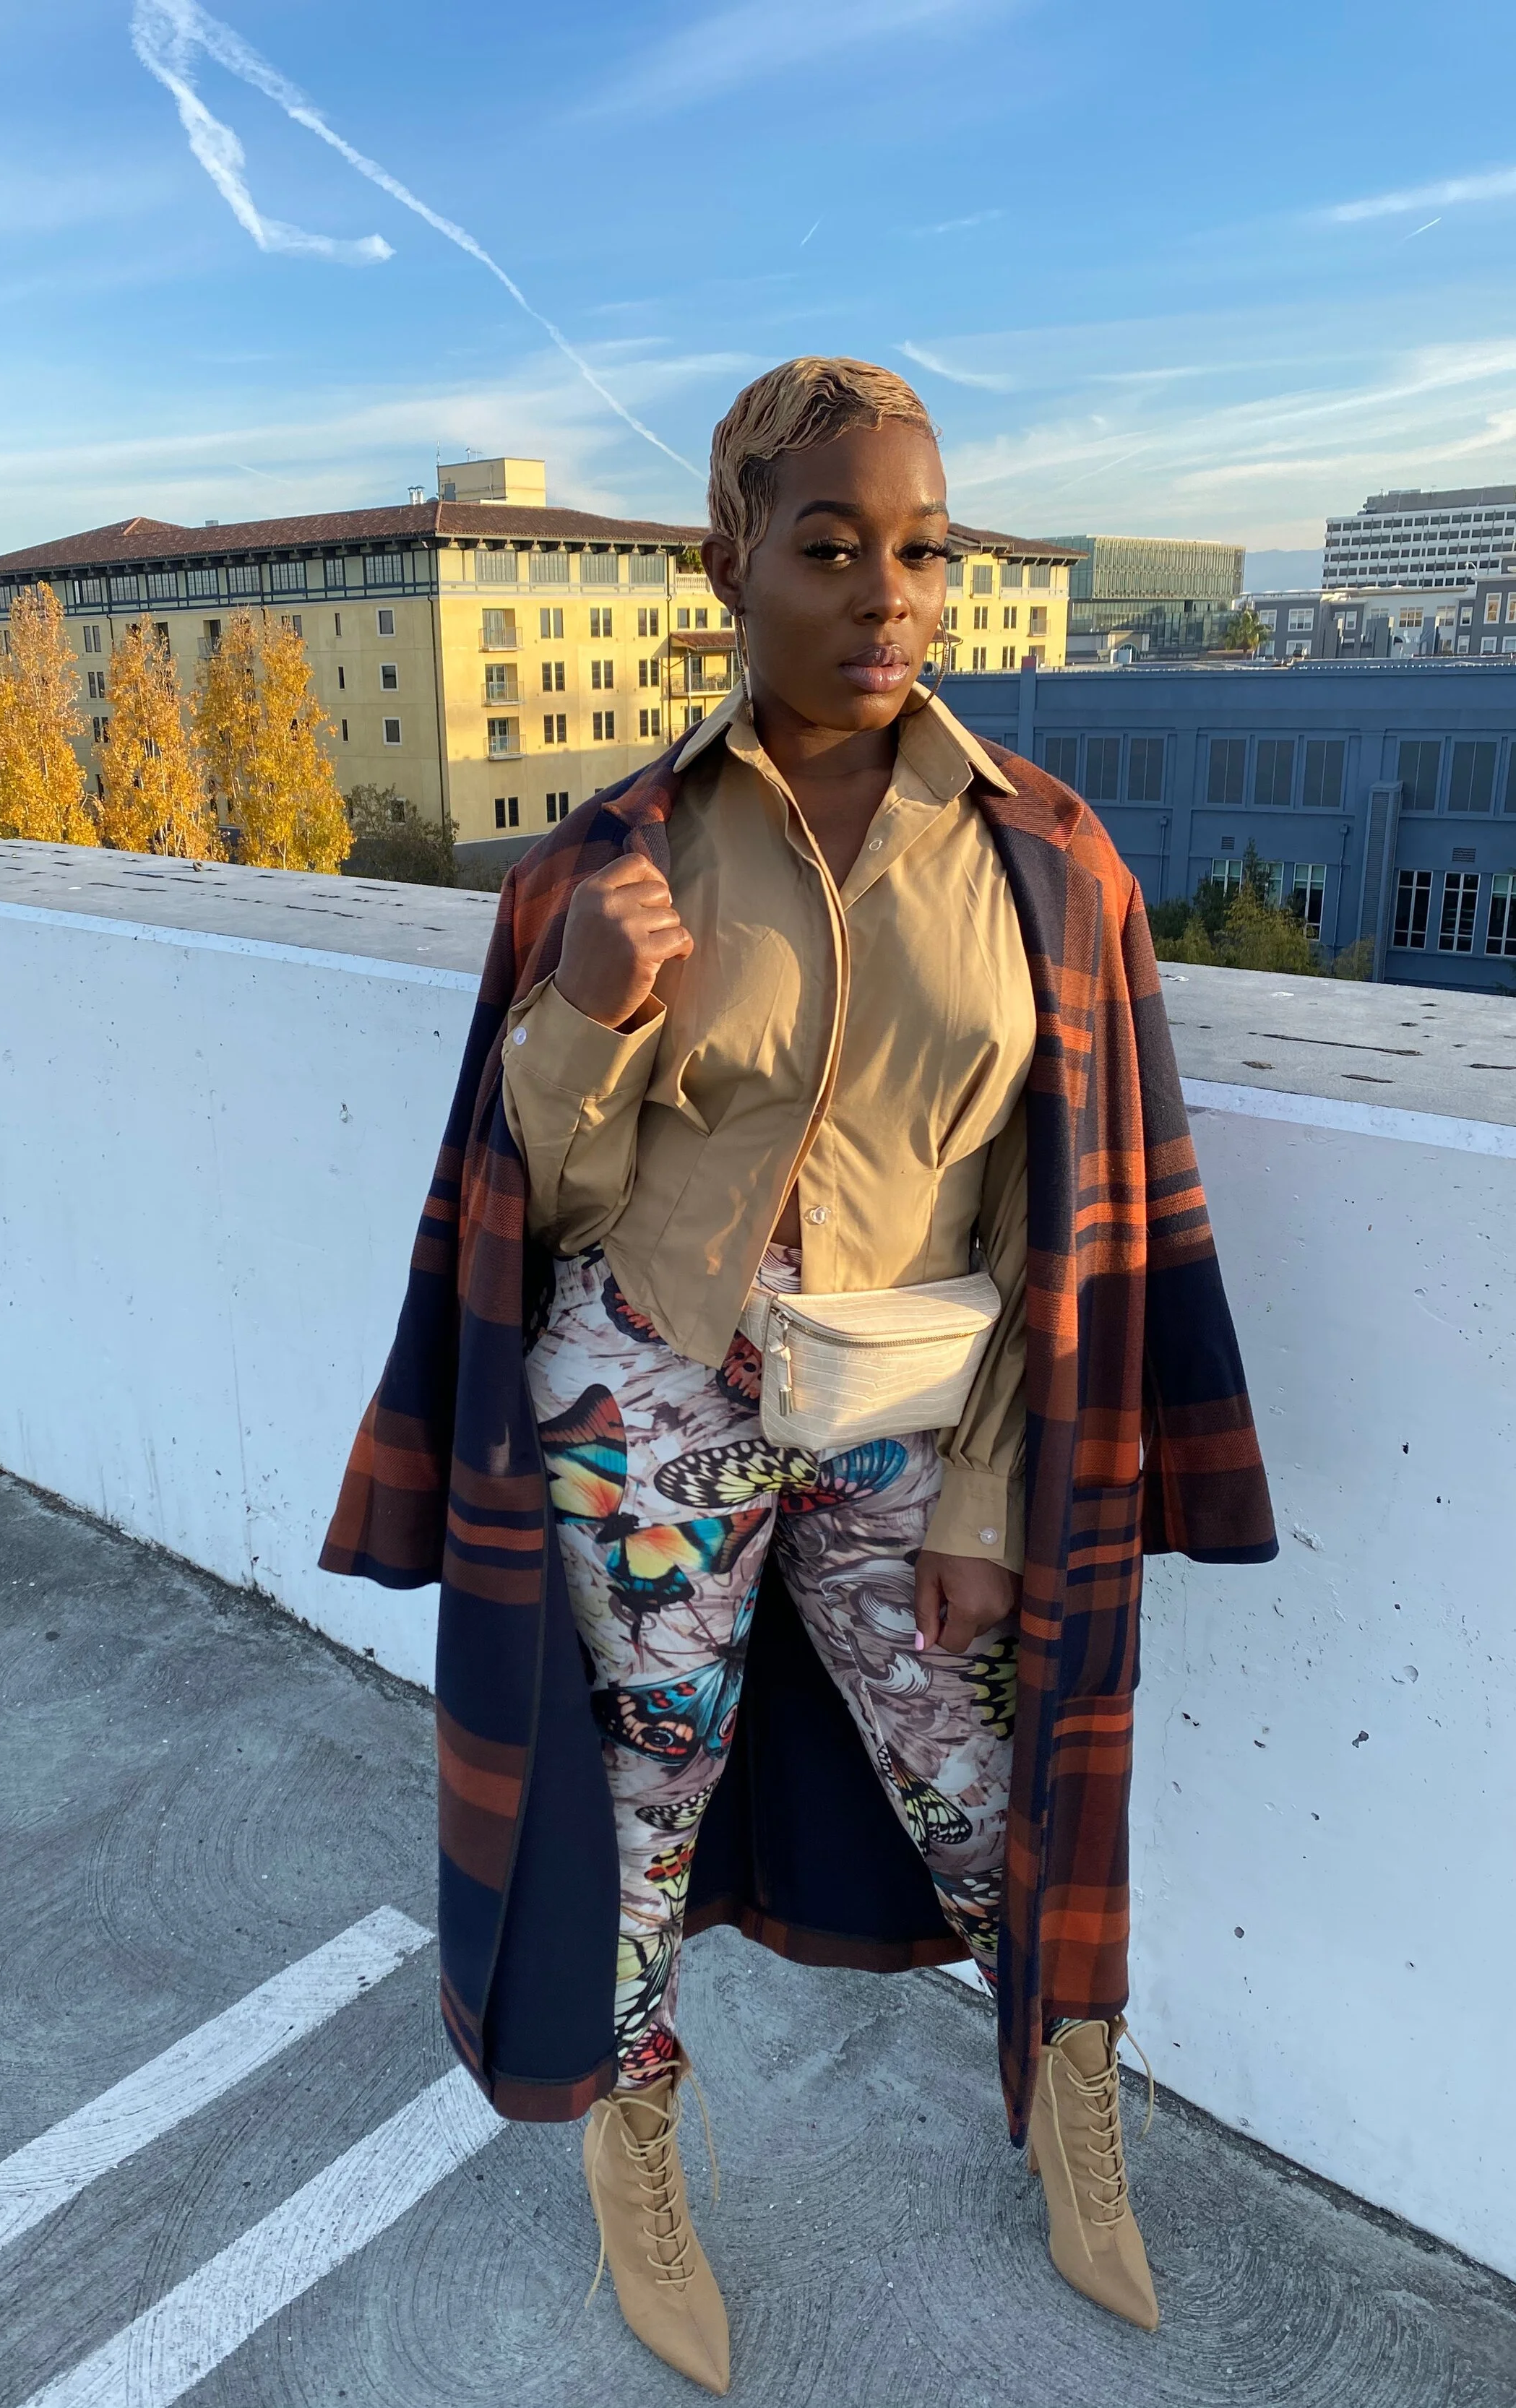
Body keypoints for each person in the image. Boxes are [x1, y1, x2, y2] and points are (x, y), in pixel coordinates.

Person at [322, 357, 1276, 2396]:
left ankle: (1067, 2094)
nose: (883, 593)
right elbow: (545, 1186)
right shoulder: (614, 854)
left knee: (997, 1790)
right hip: (645, 1390)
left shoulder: (1046, 856)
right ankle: (637, 2132)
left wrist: (995, 1498)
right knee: (633, 1804)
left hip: (909, 1405)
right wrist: (583, 1011)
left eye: (919, 549)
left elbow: (1060, 1227)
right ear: (727, 562)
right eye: (828, 546)